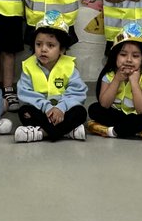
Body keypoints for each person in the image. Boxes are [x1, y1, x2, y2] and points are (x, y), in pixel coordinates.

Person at [13, 10, 88, 143]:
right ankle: (66, 131)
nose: (43, 49)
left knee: (80, 112)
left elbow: (77, 92)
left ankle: (41, 133)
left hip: (63, 111)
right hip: (41, 111)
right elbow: (26, 94)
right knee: (25, 111)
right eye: (38, 44)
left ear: (62, 49)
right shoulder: (28, 66)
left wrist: (61, 108)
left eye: (51, 45)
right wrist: (47, 107)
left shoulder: (69, 66)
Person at [86, 23, 142, 142]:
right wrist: (116, 80)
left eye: (135, 56)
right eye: (123, 54)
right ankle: (138, 130)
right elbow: (104, 104)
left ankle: (110, 131)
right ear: (115, 56)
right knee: (94, 109)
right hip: (116, 114)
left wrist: (134, 83)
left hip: (137, 115)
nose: (129, 60)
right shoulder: (109, 76)